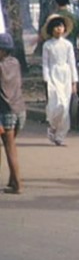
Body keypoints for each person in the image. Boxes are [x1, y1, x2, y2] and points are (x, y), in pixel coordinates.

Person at [42, 14, 79, 146]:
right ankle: (52, 126)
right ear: (51, 29)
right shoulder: (47, 45)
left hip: (66, 76)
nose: (59, 29)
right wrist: (46, 79)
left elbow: (72, 63)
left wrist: (74, 82)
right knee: (57, 104)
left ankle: (60, 135)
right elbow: (45, 64)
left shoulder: (68, 45)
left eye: (61, 26)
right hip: (53, 76)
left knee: (65, 105)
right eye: (56, 26)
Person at [0, 33, 26, 194]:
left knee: (10, 148)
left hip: (5, 112)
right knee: (11, 145)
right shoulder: (15, 63)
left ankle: (17, 184)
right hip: (20, 109)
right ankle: (12, 180)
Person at [54, 0, 79, 64]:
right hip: (71, 54)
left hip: (56, 55)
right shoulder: (75, 18)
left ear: (56, 1)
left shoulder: (53, 18)